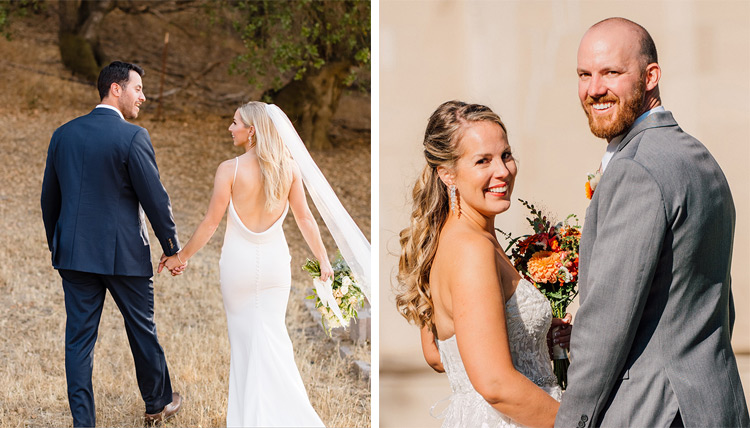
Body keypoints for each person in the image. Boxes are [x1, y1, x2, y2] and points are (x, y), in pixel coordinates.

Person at [555, 17, 749, 428]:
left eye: (611, 72)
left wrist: (572, 422)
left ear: (650, 77)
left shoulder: (636, 170)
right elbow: (715, 303)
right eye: (584, 75)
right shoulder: (701, 160)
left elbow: (605, 329)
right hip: (717, 405)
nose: (594, 89)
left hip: (653, 412)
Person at [395, 100, 571, 428]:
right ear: (447, 173)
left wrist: (533, 340)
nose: (502, 171)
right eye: (483, 161)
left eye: (505, 155)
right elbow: (494, 385)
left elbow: (438, 355)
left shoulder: (454, 239)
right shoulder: (471, 249)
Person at [161, 101, 336, 427]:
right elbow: (305, 219)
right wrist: (323, 261)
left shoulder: (229, 169)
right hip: (274, 267)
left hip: (239, 267)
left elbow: (211, 223)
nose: (230, 128)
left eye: (234, 122)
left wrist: (180, 258)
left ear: (251, 131)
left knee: (247, 348)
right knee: (274, 341)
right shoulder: (289, 169)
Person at [41, 61, 182, 427]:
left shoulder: (63, 135)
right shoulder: (133, 137)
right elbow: (155, 199)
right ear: (115, 89)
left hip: (74, 255)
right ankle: (157, 404)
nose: (143, 97)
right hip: (124, 256)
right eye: (138, 89)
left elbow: (49, 200)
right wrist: (170, 245)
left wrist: (58, 243)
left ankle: (83, 422)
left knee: (78, 341)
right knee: (141, 329)